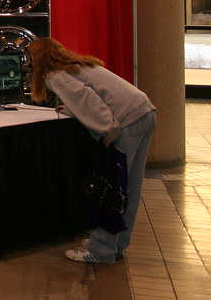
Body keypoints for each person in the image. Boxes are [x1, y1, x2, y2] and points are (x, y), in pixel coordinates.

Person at [27, 37, 156, 265]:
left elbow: (91, 104)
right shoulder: (81, 65)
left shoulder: (55, 75)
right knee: (130, 187)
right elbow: (92, 96)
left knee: (113, 187)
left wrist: (108, 133)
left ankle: (102, 248)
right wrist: (74, 111)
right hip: (143, 112)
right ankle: (116, 244)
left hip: (125, 122)